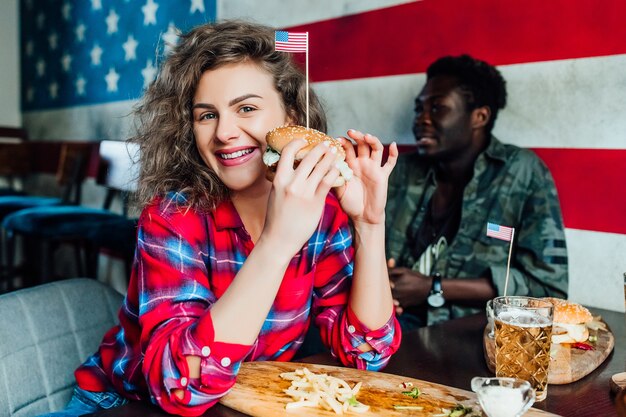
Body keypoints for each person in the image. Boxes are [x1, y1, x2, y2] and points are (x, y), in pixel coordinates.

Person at [40, 21, 401, 417]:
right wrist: (278, 243)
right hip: (123, 404)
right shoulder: (172, 217)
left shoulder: (325, 213)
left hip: (240, 403)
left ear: (293, 118)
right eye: (206, 115)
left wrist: (369, 224)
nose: (224, 133)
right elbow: (182, 386)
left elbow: (367, 353)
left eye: (246, 108)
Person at [385, 54, 568, 329]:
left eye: (437, 108)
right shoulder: (400, 169)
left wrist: (433, 287)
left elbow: (548, 290)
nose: (421, 119)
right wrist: (381, 286)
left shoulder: (521, 172)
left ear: (479, 116)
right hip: (386, 325)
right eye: (419, 108)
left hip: (469, 335)